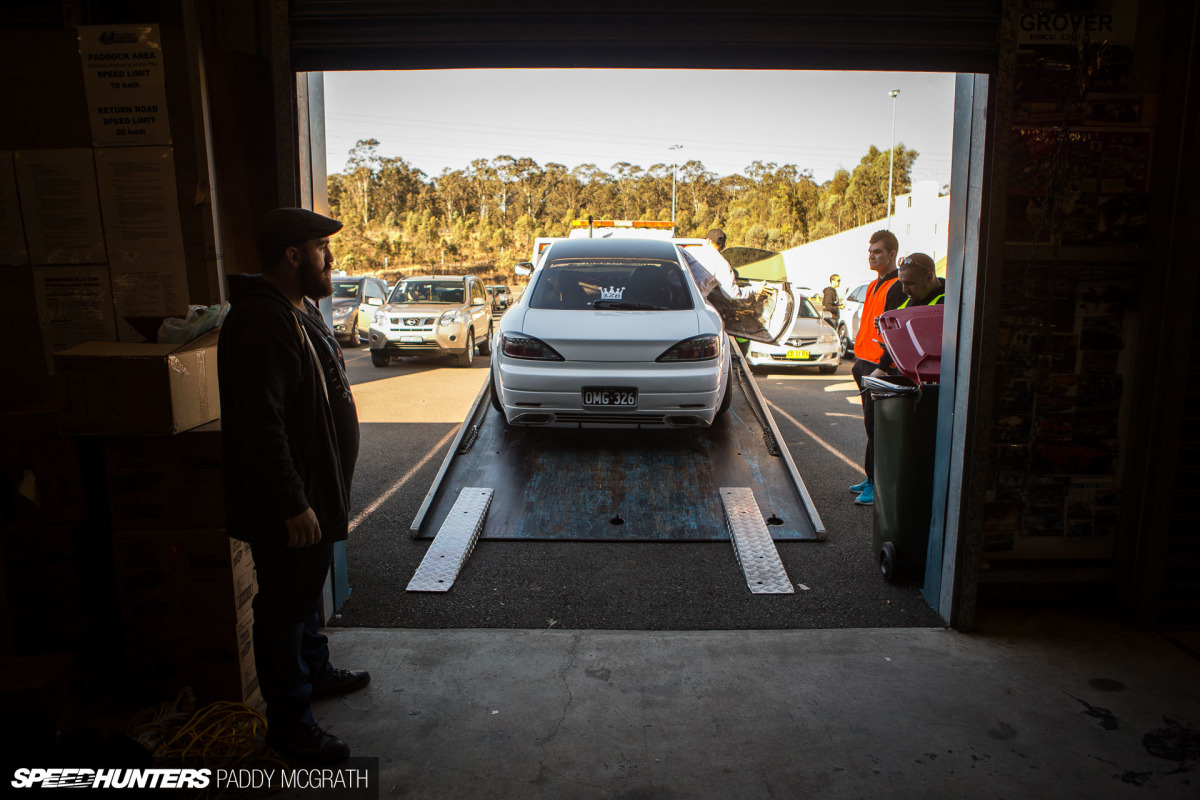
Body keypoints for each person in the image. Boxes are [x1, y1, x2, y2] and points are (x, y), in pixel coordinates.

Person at [219, 208, 370, 764]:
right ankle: (290, 727)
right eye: (320, 248)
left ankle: (317, 670)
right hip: (293, 504)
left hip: (315, 494)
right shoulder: (262, 321)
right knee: (282, 612)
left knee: (305, 597)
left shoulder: (296, 310)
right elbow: (262, 424)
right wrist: (293, 503)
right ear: (292, 255)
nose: (330, 258)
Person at [849, 230, 900, 506]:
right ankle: (870, 476)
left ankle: (875, 483)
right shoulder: (872, 285)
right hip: (863, 363)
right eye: (870, 251)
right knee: (871, 426)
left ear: (892, 254)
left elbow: (893, 333)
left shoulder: (897, 286)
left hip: (880, 367)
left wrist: (882, 368)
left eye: (878, 251)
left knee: (877, 427)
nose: (872, 256)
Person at [875, 253, 945, 375]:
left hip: (930, 379)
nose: (904, 289)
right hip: (908, 375)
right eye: (902, 283)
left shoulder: (947, 304)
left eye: (910, 283)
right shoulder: (909, 300)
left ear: (930, 277)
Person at [681, 228, 759, 302]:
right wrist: (755, 289)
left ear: (708, 240)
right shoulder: (723, 264)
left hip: (671, 293)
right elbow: (732, 294)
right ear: (723, 247)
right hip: (691, 301)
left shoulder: (688, 250)